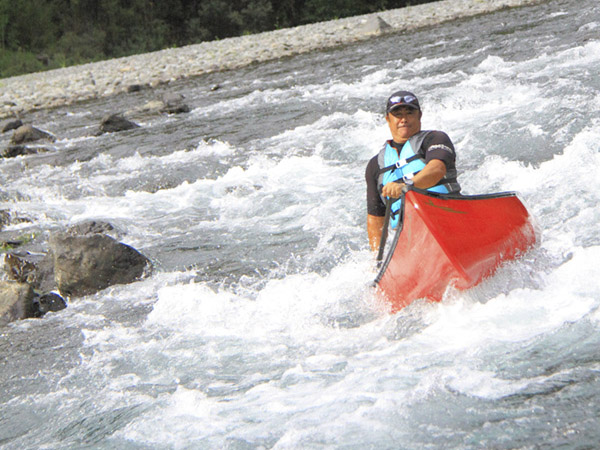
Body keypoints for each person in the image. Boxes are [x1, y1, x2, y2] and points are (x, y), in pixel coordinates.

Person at [365, 91, 461, 251]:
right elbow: (375, 217)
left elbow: (437, 168)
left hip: (448, 220)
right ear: (388, 119)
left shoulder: (435, 139)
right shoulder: (375, 166)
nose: (404, 119)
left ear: (419, 116)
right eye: (397, 114)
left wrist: (406, 186)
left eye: (410, 113)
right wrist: (377, 257)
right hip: (411, 241)